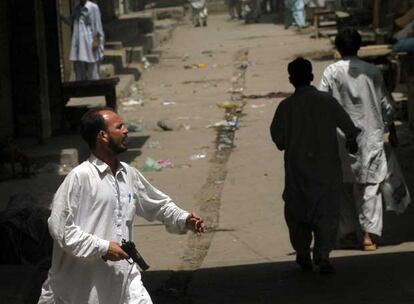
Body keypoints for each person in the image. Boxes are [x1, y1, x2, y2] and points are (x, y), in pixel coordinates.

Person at [37, 107, 206, 304]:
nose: (126, 130)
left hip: (124, 280)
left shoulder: (128, 174)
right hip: (82, 288)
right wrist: (103, 247)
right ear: (102, 136)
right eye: (119, 127)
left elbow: (157, 204)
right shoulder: (80, 177)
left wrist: (184, 219)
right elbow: (61, 229)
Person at [270, 57, 360, 274]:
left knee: (297, 215)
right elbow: (349, 128)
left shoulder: (285, 107)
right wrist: (351, 142)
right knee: (327, 215)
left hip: (297, 173)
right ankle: (322, 256)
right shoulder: (327, 101)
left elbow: (279, 140)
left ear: (291, 79)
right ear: (312, 77)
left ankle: (303, 253)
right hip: (326, 171)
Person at [319, 28, 398, 251]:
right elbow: (387, 106)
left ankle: (347, 232)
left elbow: (322, 102)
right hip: (370, 136)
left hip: (340, 137)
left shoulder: (331, 72)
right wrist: (392, 130)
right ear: (359, 47)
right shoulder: (372, 71)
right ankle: (368, 236)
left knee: (343, 185)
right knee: (370, 186)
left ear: (337, 47)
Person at [66, 0, 105, 80]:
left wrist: (96, 40)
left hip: (89, 42)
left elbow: (98, 26)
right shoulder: (77, 8)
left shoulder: (93, 7)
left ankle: (95, 89)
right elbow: (70, 21)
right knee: (79, 71)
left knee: (92, 71)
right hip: (78, 43)